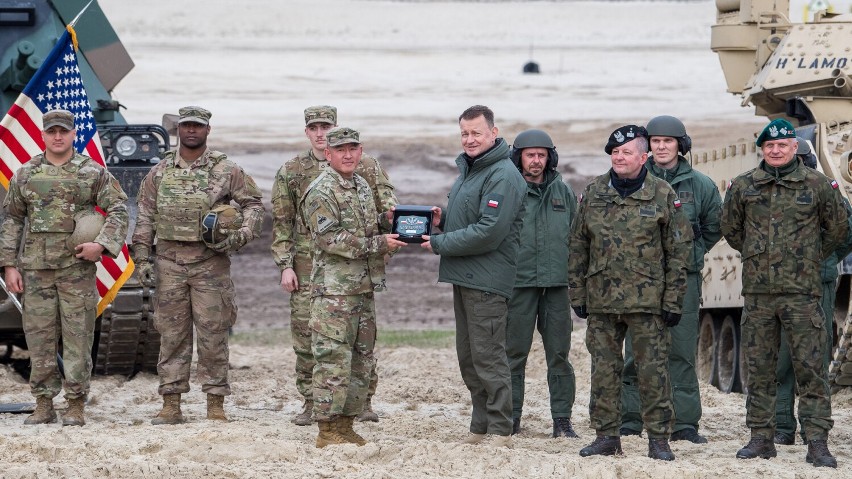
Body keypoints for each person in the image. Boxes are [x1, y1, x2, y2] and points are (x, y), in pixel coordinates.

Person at [722, 119, 847, 468]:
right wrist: (759, 254)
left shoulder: (818, 184)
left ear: (794, 147)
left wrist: (807, 257)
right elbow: (731, 228)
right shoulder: (745, 186)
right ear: (762, 149)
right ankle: (761, 438)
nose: (775, 151)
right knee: (760, 369)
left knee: (811, 369)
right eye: (769, 146)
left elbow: (838, 227)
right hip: (760, 296)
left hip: (802, 294)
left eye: (782, 145)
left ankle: (817, 442)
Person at [132, 106, 264, 425]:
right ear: (179, 130)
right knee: (172, 334)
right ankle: (171, 403)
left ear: (208, 130)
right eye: (187, 125)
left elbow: (254, 205)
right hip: (169, 263)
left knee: (213, 334)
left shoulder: (226, 169)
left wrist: (242, 235)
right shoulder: (161, 171)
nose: (192, 130)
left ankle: (215, 403)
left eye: (198, 126)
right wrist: (141, 257)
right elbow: (146, 214)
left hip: (210, 265)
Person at [568, 125, 692, 461]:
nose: (619, 157)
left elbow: (679, 252)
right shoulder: (594, 192)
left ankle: (659, 440)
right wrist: (577, 293)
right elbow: (578, 245)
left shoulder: (662, 194)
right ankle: (606, 436)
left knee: (652, 372)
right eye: (614, 152)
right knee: (604, 371)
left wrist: (673, 300)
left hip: (647, 302)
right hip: (602, 300)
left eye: (626, 152)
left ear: (644, 156)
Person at [0, 109, 129, 426]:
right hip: (36, 271)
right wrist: (8, 264)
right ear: (43, 135)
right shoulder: (27, 174)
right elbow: (13, 220)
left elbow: (119, 208)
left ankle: (75, 404)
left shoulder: (91, 172)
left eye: (64, 131)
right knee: (40, 340)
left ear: (73, 134)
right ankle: (43, 403)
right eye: (52, 131)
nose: (58, 137)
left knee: (77, 338)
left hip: (76, 271)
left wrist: (101, 244)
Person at [270, 105, 396, 426]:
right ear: (309, 133)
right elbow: (283, 222)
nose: (321, 132)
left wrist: (393, 234)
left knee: (361, 341)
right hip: (314, 269)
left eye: (327, 126)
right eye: (315, 128)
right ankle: (314, 403)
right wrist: (285, 264)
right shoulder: (295, 171)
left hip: (358, 273)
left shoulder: (365, 171)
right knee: (312, 340)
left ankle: (360, 402)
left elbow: (380, 212)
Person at [420, 105, 526, 448]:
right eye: (464, 133)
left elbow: (489, 232)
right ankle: (480, 426)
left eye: (476, 133)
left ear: (493, 133)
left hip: (488, 281)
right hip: (465, 277)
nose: (469, 139)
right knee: (469, 358)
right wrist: (442, 219)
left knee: (489, 357)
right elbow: (469, 219)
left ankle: (500, 429)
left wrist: (439, 243)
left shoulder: (503, 174)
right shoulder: (470, 170)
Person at [300, 127, 405, 447]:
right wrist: (378, 243)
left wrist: (398, 222)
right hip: (333, 292)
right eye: (340, 149)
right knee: (332, 360)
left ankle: (346, 423)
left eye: (353, 149)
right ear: (328, 154)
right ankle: (327, 430)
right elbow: (328, 238)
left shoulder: (360, 184)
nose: (348, 155)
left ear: (361, 152)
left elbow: (369, 225)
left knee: (361, 361)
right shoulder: (321, 190)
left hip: (362, 288)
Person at [620, 115, 722, 444]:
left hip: (683, 281)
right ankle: (631, 419)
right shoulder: (633, 179)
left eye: (669, 141)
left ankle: (684, 424)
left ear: (681, 145)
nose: (662, 146)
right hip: (640, 280)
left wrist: (692, 254)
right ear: (646, 146)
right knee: (637, 351)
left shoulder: (700, 184)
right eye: (656, 141)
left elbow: (714, 225)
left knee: (680, 351)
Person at [773, 138, 852, 447]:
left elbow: (846, 232)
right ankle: (782, 425)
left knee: (815, 359)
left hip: (818, 284)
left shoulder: (828, 191)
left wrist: (826, 258)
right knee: (781, 359)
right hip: (779, 285)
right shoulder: (772, 191)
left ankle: (813, 428)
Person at [504, 129, 579, 438]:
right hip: (518, 286)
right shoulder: (508, 190)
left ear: (550, 157)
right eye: (529, 154)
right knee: (512, 356)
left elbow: (577, 238)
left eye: (541, 155)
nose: (536, 161)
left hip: (557, 288)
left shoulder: (563, 192)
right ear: (518, 157)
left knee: (559, 356)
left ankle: (562, 421)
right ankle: (510, 419)